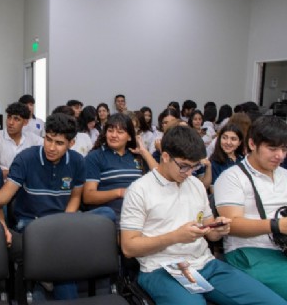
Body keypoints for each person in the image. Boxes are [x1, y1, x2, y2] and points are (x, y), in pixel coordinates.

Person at [120, 126, 286, 305]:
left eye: (194, 166)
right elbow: (129, 248)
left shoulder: (195, 185)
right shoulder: (139, 190)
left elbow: (210, 232)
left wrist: (219, 228)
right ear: (165, 156)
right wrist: (175, 237)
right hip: (161, 268)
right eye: (184, 166)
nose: (189, 173)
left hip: (205, 264)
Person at [0, 113, 115, 300]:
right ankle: (50, 275)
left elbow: (75, 197)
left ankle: (45, 277)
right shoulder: (26, 158)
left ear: (71, 143)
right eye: (48, 139)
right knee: (63, 263)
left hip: (62, 221)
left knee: (107, 214)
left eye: (59, 143)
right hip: (32, 224)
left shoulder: (77, 161)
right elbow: (3, 197)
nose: (51, 147)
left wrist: (66, 222)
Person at [215, 115, 287, 300]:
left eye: (284, 149)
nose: (279, 155)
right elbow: (232, 225)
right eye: (272, 148)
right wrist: (276, 225)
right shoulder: (232, 177)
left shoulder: (284, 175)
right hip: (249, 252)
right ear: (252, 144)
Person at [83, 114, 152, 225]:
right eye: (110, 131)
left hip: (139, 214)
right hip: (110, 217)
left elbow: (160, 176)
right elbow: (88, 196)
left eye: (120, 132)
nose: (114, 135)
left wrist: (144, 151)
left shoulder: (137, 156)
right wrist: (120, 192)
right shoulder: (95, 157)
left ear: (129, 137)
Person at [0, 102, 43, 179]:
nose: (10, 123)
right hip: (3, 185)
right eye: (9, 117)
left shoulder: (33, 139)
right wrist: (21, 171)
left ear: (25, 122)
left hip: (27, 186)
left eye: (16, 119)